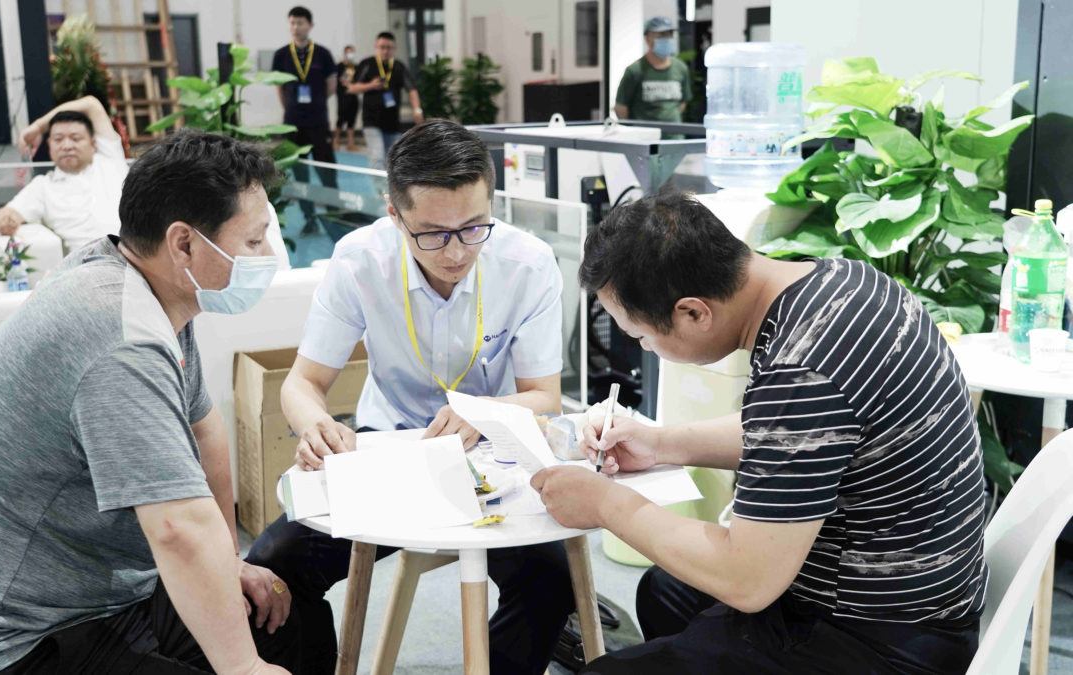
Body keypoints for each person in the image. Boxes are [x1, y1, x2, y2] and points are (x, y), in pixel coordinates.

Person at [532, 192, 987, 674]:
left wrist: (605, 504)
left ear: (693, 313)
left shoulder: (802, 370)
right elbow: (790, 436)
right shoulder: (842, 281)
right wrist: (661, 443)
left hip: (879, 634)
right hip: (916, 592)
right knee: (666, 591)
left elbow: (747, 581)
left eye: (641, 336)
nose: (645, 347)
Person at [246, 119, 574, 674]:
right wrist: (315, 426)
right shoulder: (359, 260)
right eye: (433, 233)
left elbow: (544, 398)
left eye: (473, 227)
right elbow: (304, 383)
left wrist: (486, 414)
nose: (456, 252)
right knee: (272, 565)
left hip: (492, 454)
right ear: (394, 215)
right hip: (389, 446)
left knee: (551, 583)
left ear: (491, 204)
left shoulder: (528, 264)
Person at [0, 130, 302, 674]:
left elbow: (205, 427)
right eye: (254, 242)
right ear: (183, 244)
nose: (269, 257)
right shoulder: (120, 339)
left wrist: (229, 562)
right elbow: (177, 527)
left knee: (290, 625)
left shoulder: (148, 288)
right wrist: (243, 668)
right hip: (35, 628)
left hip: (111, 582)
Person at [0, 95, 127, 252]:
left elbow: (91, 104)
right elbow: (7, 214)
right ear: (49, 145)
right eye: (58, 139)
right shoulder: (43, 186)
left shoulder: (110, 159)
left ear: (93, 143)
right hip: (87, 262)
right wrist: (5, 221)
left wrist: (38, 127)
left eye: (75, 138)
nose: (67, 146)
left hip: (137, 254)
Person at [271, 5, 339, 230]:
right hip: (293, 123)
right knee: (300, 171)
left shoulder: (323, 54)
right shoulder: (281, 55)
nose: (295, 27)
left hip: (318, 121)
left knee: (326, 169)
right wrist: (291, 108)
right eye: (292, 22)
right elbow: (279, 88)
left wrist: (315, 103)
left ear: (310, 25)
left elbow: (331, 86)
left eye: (300, 22)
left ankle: (334, 214)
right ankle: (309, 218)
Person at [348, 31, 424, 170]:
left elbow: (412, 89)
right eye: (382, 47)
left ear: (394, 49)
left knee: (395, 159)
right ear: (376, 47)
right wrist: (371, 85)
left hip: (392, 122)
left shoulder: (398, 66)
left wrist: (417, 109)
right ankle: (379, 185)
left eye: (389, 48)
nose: (385, 51)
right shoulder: (367, 64)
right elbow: (352, 88)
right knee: (377, 157)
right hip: (371, 121)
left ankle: (390, 184)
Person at [614, 17, 693, 123]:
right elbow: (621, 108)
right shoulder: (635, 71)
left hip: (674, 132)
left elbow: (683, 102)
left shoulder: (681, 68)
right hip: (645, 132)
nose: (666, 39)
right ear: (647, 39)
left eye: (669, 34)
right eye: (661, 35)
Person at [334, 43, 360, 151]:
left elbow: (359, 81)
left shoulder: (356, 67)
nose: (350, 54)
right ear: (345, 53)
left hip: (353, 96)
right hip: (342, 96)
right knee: (341, 119)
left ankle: (351, 143)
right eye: (349, 52)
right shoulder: (339, 66)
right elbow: (337, 81)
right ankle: (336, 141)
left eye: (352, 52)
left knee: (351, 119)